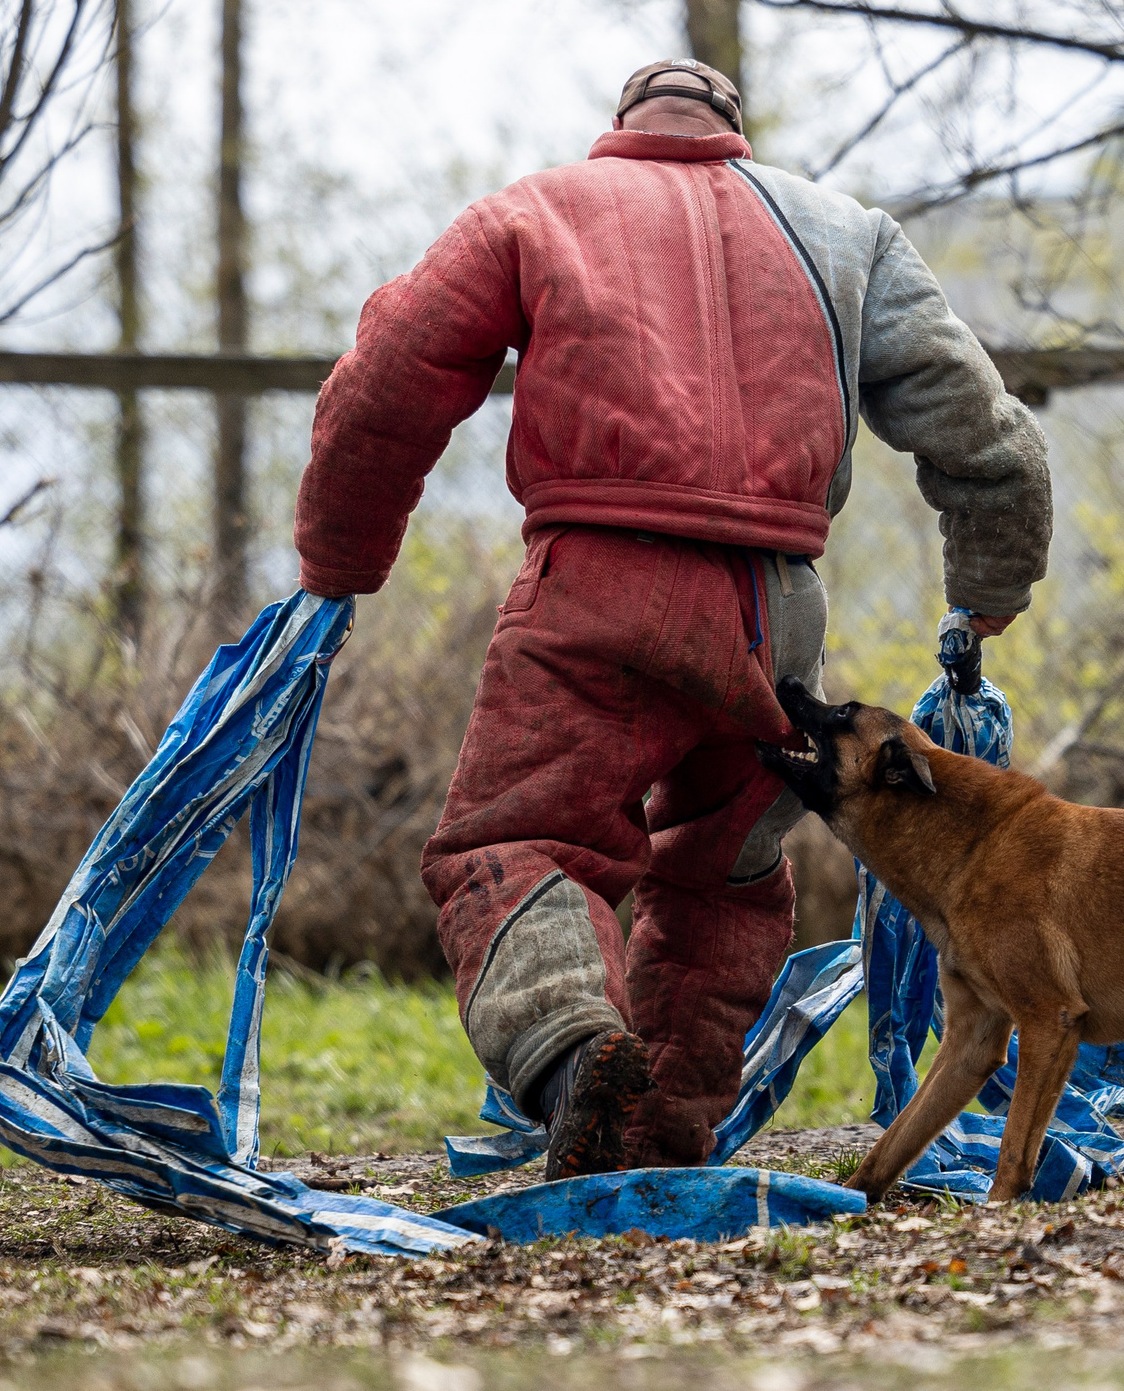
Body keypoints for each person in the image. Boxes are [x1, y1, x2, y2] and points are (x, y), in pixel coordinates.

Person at [293, 60, 1052, 1179]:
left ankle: (573, 1055)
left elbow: (386, 382)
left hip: (596, 586)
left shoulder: (534, 211)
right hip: (775, 613)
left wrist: (340, 560)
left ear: (622, 128)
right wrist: (988, 587)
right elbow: (984, 434)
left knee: (520, 838)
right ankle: (661, 1134)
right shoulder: (847, 235)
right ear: (732, 129)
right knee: (724, 877)